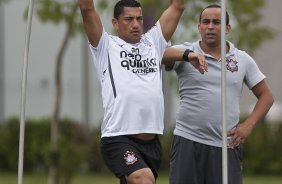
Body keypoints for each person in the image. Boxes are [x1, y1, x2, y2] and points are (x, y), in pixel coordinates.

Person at [79, 0, 207, 183]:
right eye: (129, 19)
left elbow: (178, 6)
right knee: (144, 179)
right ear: (115, 23)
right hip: (118, 138)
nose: (136, 24)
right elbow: (87, 8)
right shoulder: (105, 46)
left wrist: (186, 54)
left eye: (139, 18)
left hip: (151, 142)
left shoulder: (153, 42)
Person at [163, 4, 274, 184]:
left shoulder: (242, 59)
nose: (210, 26)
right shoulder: (185, 51)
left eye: (217, 22)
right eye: (205, 22)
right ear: (199, 27)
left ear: (227, 28)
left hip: (226, 146)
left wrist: (249, 125)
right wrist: (187, 55)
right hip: (188, 141)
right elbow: (160, 54)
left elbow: (266, 96)